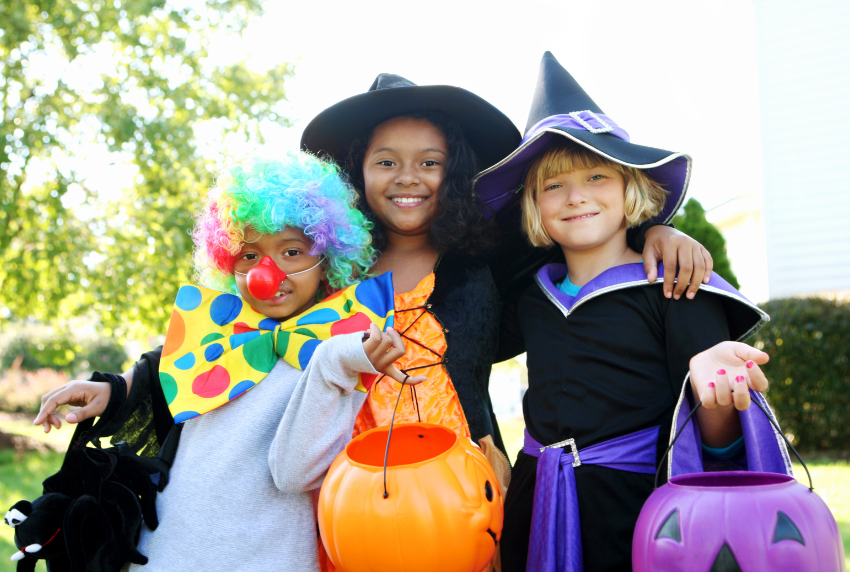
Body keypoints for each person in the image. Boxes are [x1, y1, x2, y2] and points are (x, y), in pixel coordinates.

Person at [299, 73, 715, 488]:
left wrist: (656, 231)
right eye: (386, 162)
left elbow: (577, 232)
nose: (408, 177)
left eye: (430, 162)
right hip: (347, 488)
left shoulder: (488, 258)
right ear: (357, 172)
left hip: (464, 493)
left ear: (456, 172)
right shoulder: (328, 270)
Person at [33, 153, 423, 572]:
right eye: (249, 256)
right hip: (165, 554)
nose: (267, 274)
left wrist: (334, 363)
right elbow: (161, 374)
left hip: (266, 558)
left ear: (326, 259)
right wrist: (113, 389)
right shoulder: (218, 335)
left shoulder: (336, 352)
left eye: (292, 251)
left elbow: (294, 474)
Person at [487, 52, 793, 572]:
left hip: (639, 514)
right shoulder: (531, 298)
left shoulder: (677, 286)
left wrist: (714, 392)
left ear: (631, 188)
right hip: (535, 508)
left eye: (596, 178)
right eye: (552, 185)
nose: (575, 197)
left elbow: (714, 440)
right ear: (533, 206)